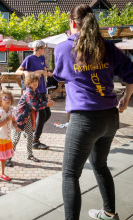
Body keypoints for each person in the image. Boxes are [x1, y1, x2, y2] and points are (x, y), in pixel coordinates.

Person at [53, 4, 133, 220]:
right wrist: (126, 96)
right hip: (110, 118)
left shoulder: (63, 48)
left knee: (70, 175)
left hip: (84, 120)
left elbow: (59, 77)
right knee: (100, 165)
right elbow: (131, 74)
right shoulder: (108, 46)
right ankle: (109, 214)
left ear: (72, 24)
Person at [7, 73, 55, 167]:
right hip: (20, 117)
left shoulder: (35, 91)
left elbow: (40, 101)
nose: (35, 83)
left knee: (30, 136)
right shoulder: (28, 92)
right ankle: (8, 157)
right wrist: (47, 104)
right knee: (16, 139)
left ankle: (30, 155)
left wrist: (47, 99)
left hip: (27, 117)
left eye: (36, 81)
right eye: (33, 81)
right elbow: (35, 105)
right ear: (29, 82)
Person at [16, 40, 51, 150]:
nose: (44, 50)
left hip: (42, 89)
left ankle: (30, 130)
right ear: (39, 48)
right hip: (33, 90)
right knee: (42, 114)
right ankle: (35, 140)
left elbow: (45, 72)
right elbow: (18, 71)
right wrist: (26, 72)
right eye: (43, 48)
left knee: (47, 114)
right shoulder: (29, 59)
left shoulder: (42, 58)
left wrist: (43, 72)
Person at [0, 90, 21, 184]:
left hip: (6, 138)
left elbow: (13, 121)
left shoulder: (11, 110)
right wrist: (7, 120)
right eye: (5, 98)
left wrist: (16, 127)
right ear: (0, 100)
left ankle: (2, 173)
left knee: (4, 157)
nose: (7, 100)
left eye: (9, 98)